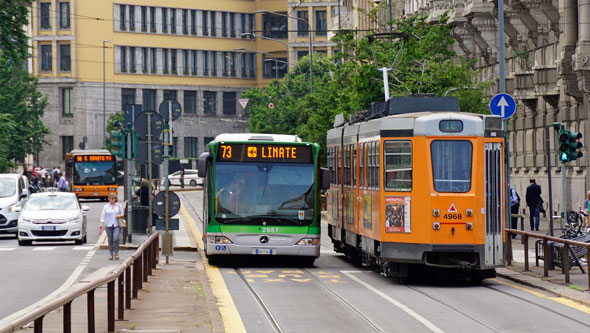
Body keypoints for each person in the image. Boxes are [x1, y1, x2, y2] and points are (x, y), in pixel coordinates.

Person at [99, 193, 124, 260]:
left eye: (113, 198)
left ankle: (116, 253)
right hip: (108, 225)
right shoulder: (106, 206)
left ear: (115, 199)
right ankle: (111, 253)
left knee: (116, 238)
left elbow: (123, 213)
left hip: (116, 224)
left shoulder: (118, 206)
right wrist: (101, 223)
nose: (111, 200)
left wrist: (119, 216)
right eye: (110, 198)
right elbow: (103, 215)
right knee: (110, 240)